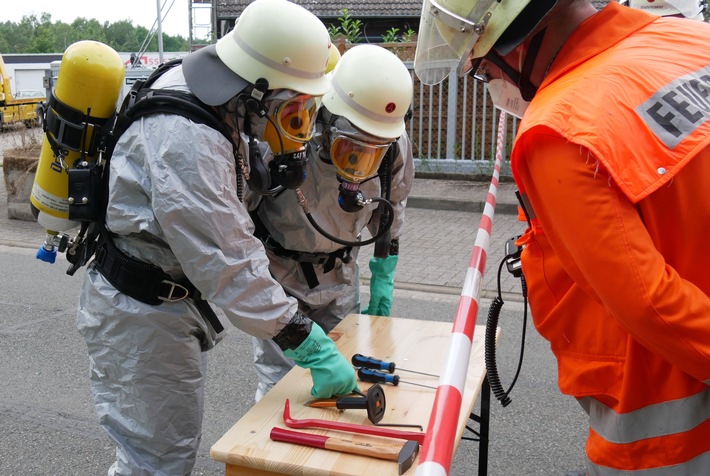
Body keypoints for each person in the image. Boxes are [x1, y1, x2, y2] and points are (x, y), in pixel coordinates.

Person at [415, 0, 710, 474]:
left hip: (668, 410)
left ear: (516, 43)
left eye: (483, 68)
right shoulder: (689, 40)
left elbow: (650, 304)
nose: (491, 81)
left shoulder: (558, 129)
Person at [75, 0, 358, 474]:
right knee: (156, 463)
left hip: (167, 304)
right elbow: (227, 262)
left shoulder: (222, 101)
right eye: (290, 106)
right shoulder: (185, 135)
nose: (297, 120)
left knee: (167, 454)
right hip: (141, 310)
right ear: (259, 86)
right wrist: (308, 341)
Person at [246, 44, 415, 401]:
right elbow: (237, 220)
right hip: (281, 279)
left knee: (342, 376)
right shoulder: (287, 134)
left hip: (339, 277)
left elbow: (392, 209)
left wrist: (383, 280)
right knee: (282, 390)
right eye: (352, 147)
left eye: (374, 152)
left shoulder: (394, 145)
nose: (359, 163)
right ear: (328, 121)